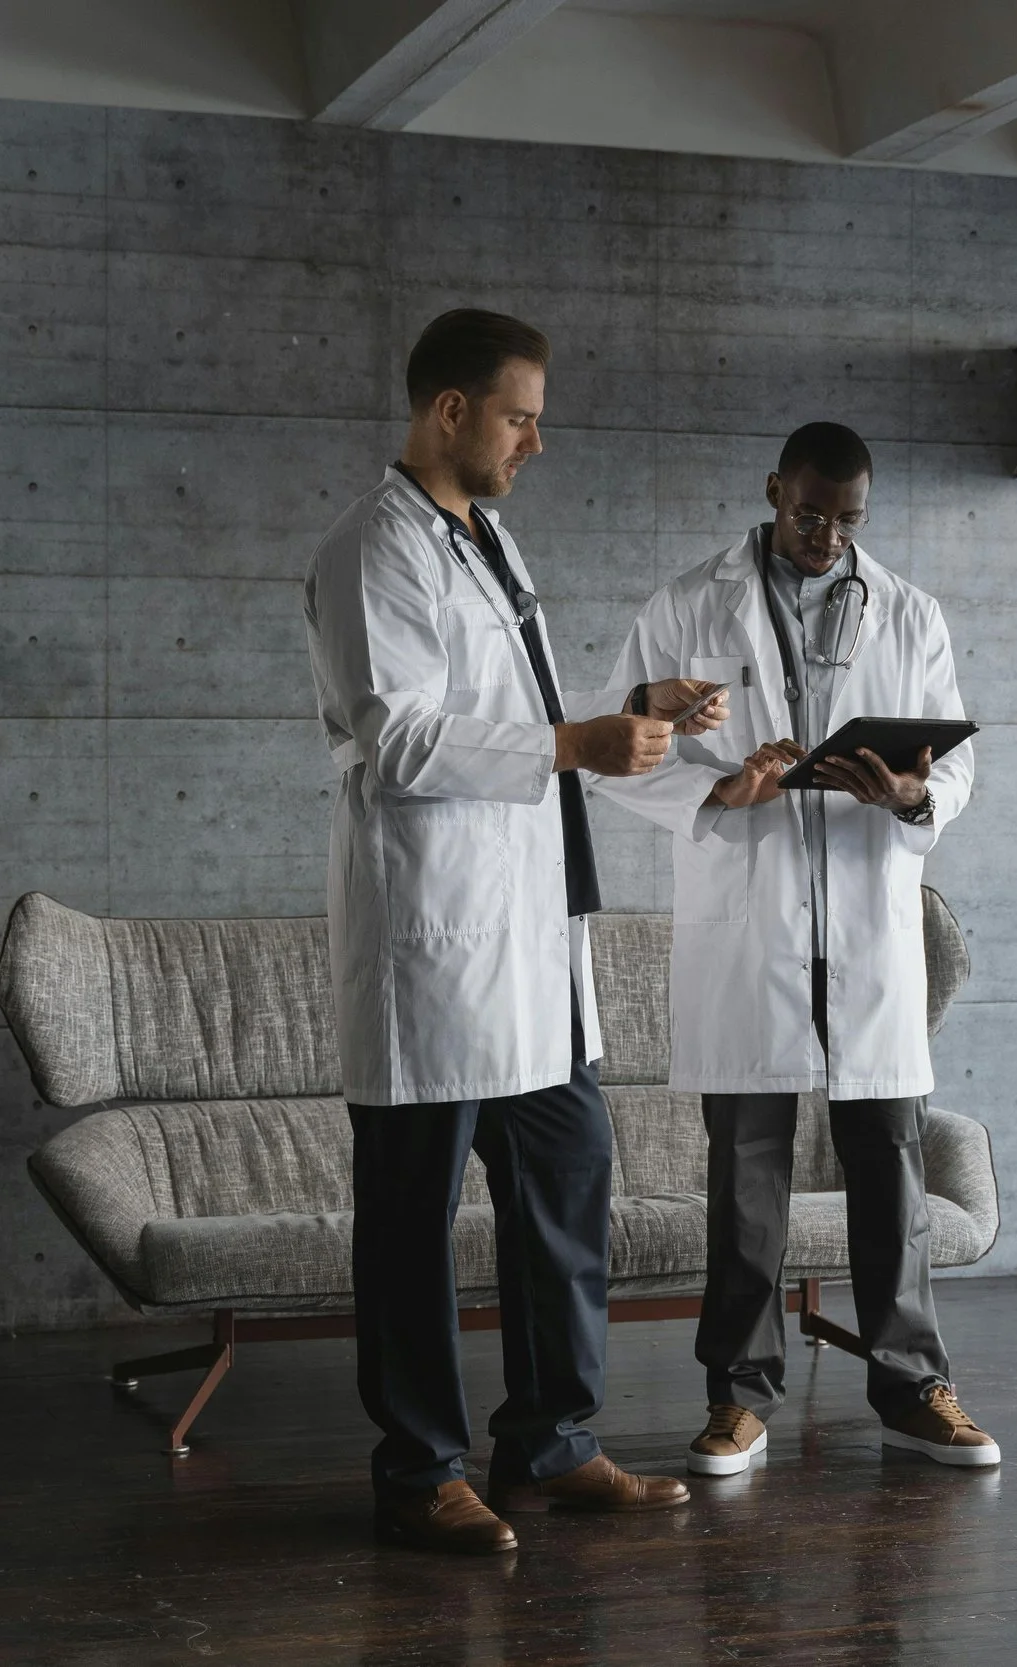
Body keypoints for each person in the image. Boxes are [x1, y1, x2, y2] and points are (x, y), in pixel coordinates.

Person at [302, 309, 730, 1553]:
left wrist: (628, 712)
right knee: (411, 1220)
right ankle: (419, 1466)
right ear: (448, 410)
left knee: (566, 1175)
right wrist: (571, 743)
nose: (536, 439)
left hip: (530, 941)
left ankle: (549, 1437)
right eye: (518, 413)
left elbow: (508, 711)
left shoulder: (485, 535)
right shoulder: (373, 549)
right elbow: (403, 737)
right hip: (433, 942)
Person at [593, 421, 999, 1474]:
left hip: (866, 917)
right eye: (809, 512)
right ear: (774, 489)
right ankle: (738, 1395)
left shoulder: (910, 611)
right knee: (747, 1172)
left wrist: (914, 790)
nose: (825, 535)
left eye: (847, 518)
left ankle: (913, 1384)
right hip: (754, 916)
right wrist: (720, 785)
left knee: (890, 1163)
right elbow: (611, 752)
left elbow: (955, 763)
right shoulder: (685, 605)